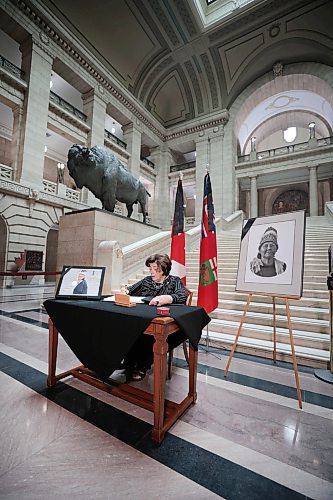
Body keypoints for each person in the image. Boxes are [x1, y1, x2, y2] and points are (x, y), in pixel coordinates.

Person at [119, 253, 187, 381]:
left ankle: (142, 366)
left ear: (164, 269)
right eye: (150, 269)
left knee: (149, 335)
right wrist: (125, 291)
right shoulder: (146, 281)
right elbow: (130, 289)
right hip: (143, 319)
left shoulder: (174, 281)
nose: (151, 272)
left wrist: (167, 298)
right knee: (130, 328)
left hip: (164, 323)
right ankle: (129, 362)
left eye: (155, 269)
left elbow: (182, 296)